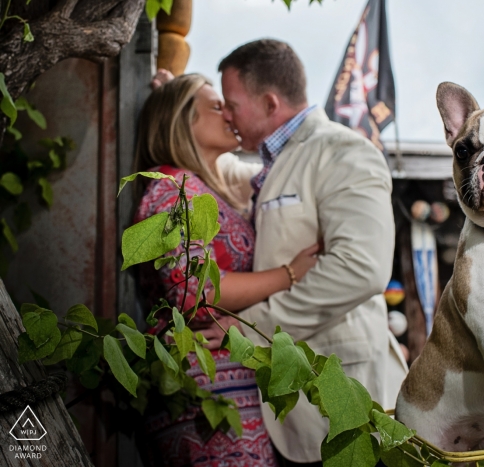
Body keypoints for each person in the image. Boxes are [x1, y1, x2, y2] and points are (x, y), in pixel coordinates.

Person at [218, 39, 408, 466]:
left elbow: (361, 269)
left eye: (230, 104)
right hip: (299, 407)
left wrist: (254, 330)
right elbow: (210, 161)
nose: (226, 116)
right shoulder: (272, 160)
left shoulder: (346, 151)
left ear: (269, 103)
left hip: (342, 405)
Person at [133, 73, 319, 467]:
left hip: (224, 391)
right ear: (183, 121)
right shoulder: (173, 190)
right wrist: (288, 273)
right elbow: (195, 292)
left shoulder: (197, 186)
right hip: (205, 398)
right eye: (219, 107)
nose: (230, 116)